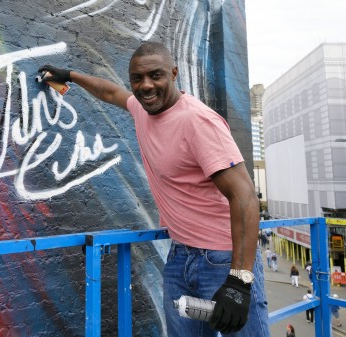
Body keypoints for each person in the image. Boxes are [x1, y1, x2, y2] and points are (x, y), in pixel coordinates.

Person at [39, 41, 269, 336]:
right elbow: (110, 92)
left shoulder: (197, 122)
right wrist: (69, 75)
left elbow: (245, 197)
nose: (146, 86)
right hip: (180, 259)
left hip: (224, 259)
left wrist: (239, 281)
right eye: (137, 78)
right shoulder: (143, 109)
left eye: (156, 76)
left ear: (173, 73)